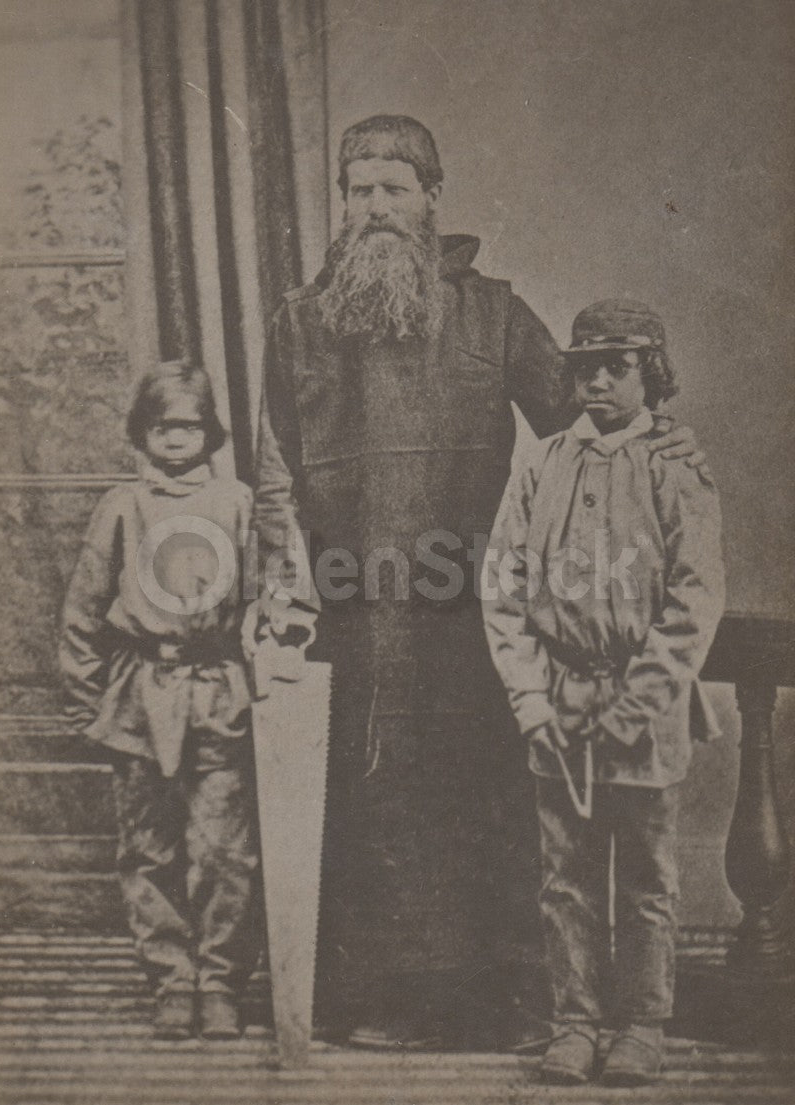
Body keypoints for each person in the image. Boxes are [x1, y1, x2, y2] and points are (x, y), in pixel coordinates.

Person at [251, 116, 705, 1049]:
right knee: (370, 800)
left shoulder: (494, 311)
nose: (375, 207)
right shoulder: (301, 319)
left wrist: (663, 442)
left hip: (474, 613)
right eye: (359, 189)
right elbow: (275, 469)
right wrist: (279, 581)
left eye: (394, 188)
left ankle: (504, 1005)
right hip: (353, 607)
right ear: (343, 202)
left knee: (480, 803)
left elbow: (582, 421)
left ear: (430, 198)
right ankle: (374, 1003)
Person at [483, 300, 725, 1084]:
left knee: (648, 878)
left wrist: (640, 701)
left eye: (615, 366)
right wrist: (529, 699)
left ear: (649, 374)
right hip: (561, 703)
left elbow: (694, 599)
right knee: (567, 877)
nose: (596, 381)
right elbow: (504, 587)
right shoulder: (544, 462)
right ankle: (576, 1021)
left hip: (644, 709)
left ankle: (643, 1023)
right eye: (584, 366)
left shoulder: (676, 469)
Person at [59, 362, 261, 1041]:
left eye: (190, 426)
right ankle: (171, 978)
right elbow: (83, 610)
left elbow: (265, 597)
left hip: (218, 695)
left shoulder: (237, 501)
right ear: (141, 433)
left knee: (224, 849)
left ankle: (220, 979)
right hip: (142, 696)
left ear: (211, 432)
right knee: (148, 847)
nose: (177, 440)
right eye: (163, 427)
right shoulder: (122, 506)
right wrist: (86, 701)